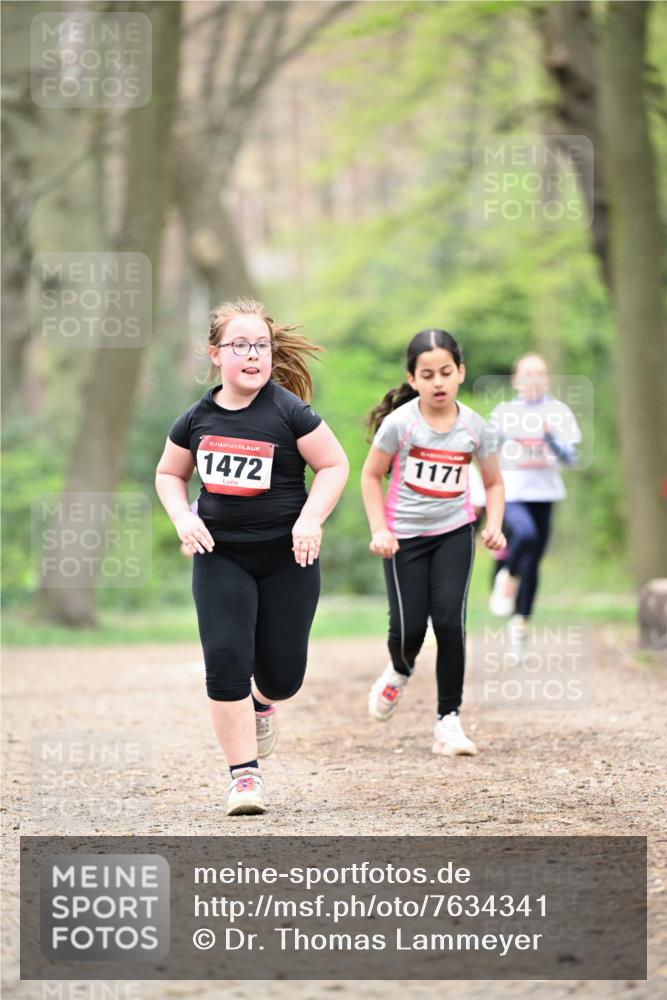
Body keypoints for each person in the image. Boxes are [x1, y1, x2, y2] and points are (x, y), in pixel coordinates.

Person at [155, 298, 349, 816]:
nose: (252, 354)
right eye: (240, 345)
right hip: (221, 556)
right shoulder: (195, 418)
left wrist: (310, 519)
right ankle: (244, 778)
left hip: (289, 557)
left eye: (261, 345)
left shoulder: (290, 411)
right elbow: (169, 474)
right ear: (217, 355)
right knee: (224, 662)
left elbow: (334, 465)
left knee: (283, 677)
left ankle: (264, 703)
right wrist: (184, 518)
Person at [361, 328, 506, 756]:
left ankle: (449, 721)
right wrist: (379, 529)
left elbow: (494, 483)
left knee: (448, 623)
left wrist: (493, 523)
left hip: (453, 532)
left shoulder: (475, 427)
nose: (438, 382)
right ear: (412, 379)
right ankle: (399, 671)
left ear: (460, 372)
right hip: (402, 537)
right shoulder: (400, 425)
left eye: (446, 372)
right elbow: (370, 476)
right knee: (408, 629)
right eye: (428, 374)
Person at [487, 353, 580, 659]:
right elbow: (485, 449)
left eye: (539, 374)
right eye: (527, 374)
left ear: (547, 379)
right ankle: (507, 577)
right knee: (524, 536)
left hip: (546, 495)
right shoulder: (504, 412)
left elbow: (571, 457)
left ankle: (520, 628)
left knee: (533, 563)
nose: (533, 380)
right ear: (515, 380)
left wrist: (550, 438)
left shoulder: (559, 412)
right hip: (512, 493)